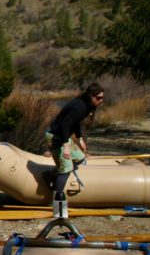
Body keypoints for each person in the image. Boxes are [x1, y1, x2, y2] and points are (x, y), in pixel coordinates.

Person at [44, 83, 105, 218]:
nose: (101, 101)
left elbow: (75, 123)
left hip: (64, 137)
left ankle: (51, 175)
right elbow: (65, 124)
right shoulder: (79, 106)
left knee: (79, 158)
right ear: (91, 96)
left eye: (102, 98)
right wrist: (66, 145)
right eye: (99, 98)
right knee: (66, 169)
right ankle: (54, 202)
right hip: (55, 137)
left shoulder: (86, 105)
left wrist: (80, 138)